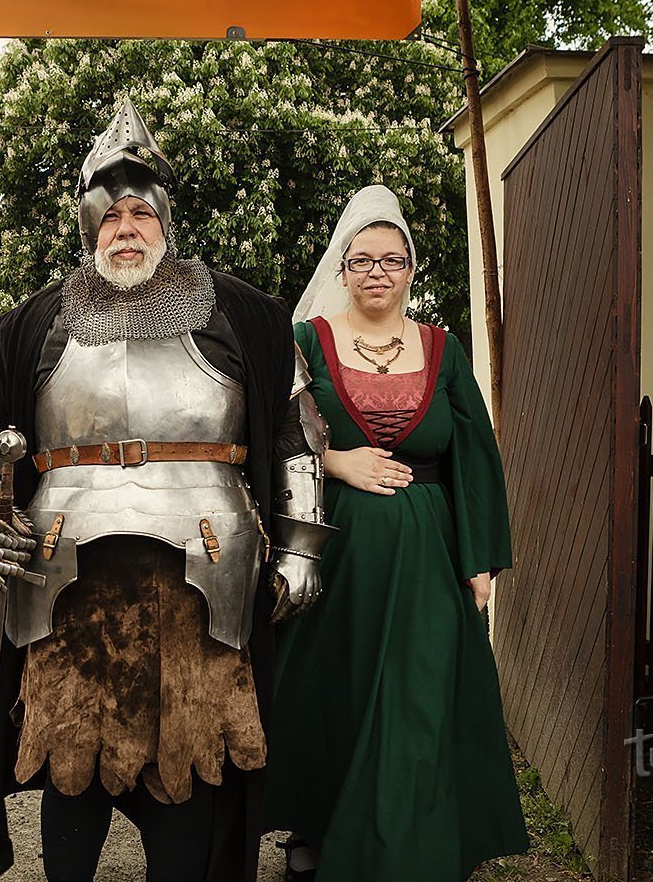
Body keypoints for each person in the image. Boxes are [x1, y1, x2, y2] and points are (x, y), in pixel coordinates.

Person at [0, 100, 333, 882]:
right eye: (111, 213)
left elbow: (297, 442)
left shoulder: (245, 315)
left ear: (165, 221)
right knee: (68, 759)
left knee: (188, 761)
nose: (126, 226)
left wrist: (300, 547)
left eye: (140, 212)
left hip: (205, 572)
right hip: (63, 577)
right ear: (89, 226)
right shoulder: (33, 324)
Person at [266, 185, 529, 880]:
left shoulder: (443, 350)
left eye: (391, 260)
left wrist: (479, 562)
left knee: (419, 697)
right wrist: (333, 460)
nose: (376, 272)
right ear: (341, 269)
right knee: (337, 694)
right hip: (340, 555)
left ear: (412, 269)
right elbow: (271, 435)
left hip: (429, 559)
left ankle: (415, 844)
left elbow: (473, 455)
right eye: (361, 261)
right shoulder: (307, 341)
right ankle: (318, 826)